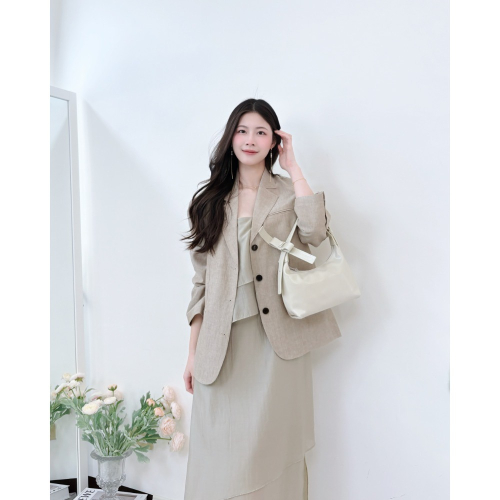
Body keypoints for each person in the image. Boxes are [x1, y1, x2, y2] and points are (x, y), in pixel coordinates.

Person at [181, 98, 342, 499]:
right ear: (231, 137)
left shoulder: (287, 192)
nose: (250, 140)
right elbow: (201, 284)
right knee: (219, 455)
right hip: (222, 345)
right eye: (242, 131)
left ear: (274, 141)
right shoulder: (210, 202)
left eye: (260, 132)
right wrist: (192, 352)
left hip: (276, 346)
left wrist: (294, 169)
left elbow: (315, 234)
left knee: (272, 450)